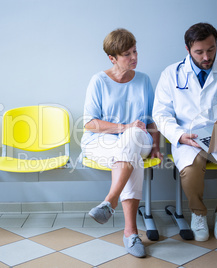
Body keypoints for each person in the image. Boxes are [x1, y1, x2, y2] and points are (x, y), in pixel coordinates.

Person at [153, 23, 217, 242]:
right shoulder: (172, 74)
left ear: (216, 44)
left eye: (211, 49)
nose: (206, 56)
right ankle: (198, 214)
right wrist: (179, 136)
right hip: (188, 137)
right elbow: (161, 113)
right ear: (188, 49)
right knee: (191, 170)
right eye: (199, 52)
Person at [81, 28, 162, 257]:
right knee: (130, 153)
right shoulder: (98, 81)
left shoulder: (144, 80)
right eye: (127, 54)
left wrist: (156, 147)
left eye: (135, 51)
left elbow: (152, 119)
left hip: (139, 138)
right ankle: (131, 232)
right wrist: (124, 127)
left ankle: (110, 200)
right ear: (112, 58)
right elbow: (90, 123)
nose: (134, 57)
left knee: (133, 138)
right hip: (101, 141)